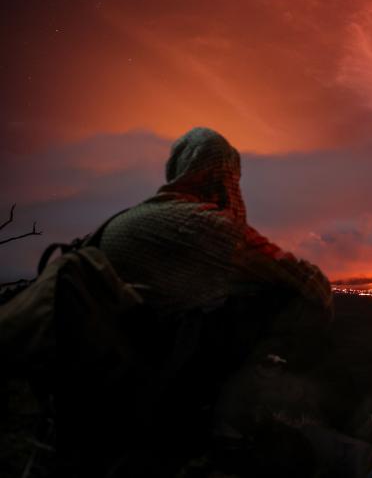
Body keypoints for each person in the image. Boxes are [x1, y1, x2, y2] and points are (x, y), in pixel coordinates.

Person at [73, 127, 335, 475]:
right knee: (281, 294)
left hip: (105, 365)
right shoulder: (213, 228)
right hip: (170, 367)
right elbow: (308, 282)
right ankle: (255, 398)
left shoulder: (118, 223)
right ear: (221, 173)